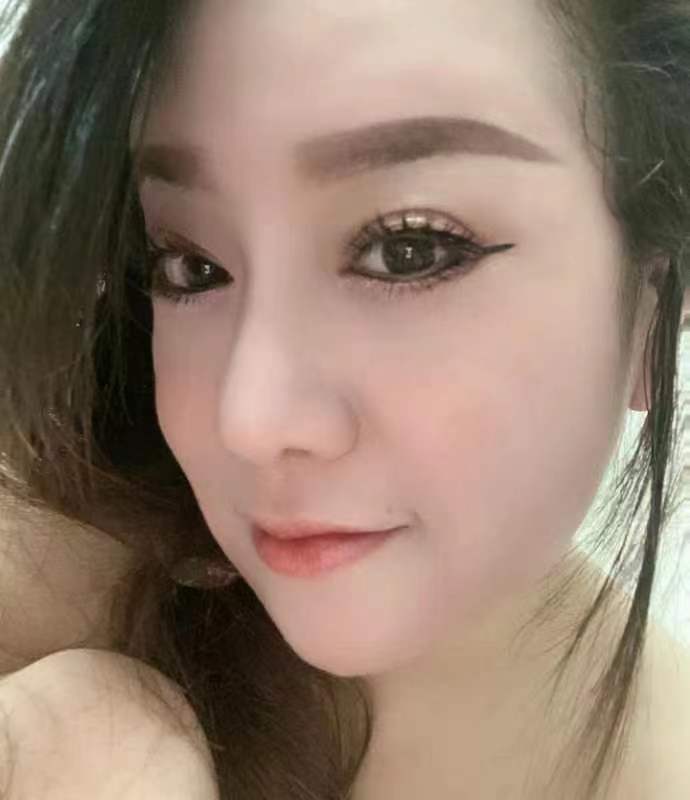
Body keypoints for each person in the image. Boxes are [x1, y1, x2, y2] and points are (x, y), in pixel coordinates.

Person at [0, 0, 689, 798]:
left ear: (653, 305)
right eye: (190, 265)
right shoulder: (55, 596)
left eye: (409, 250)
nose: (251, 419)